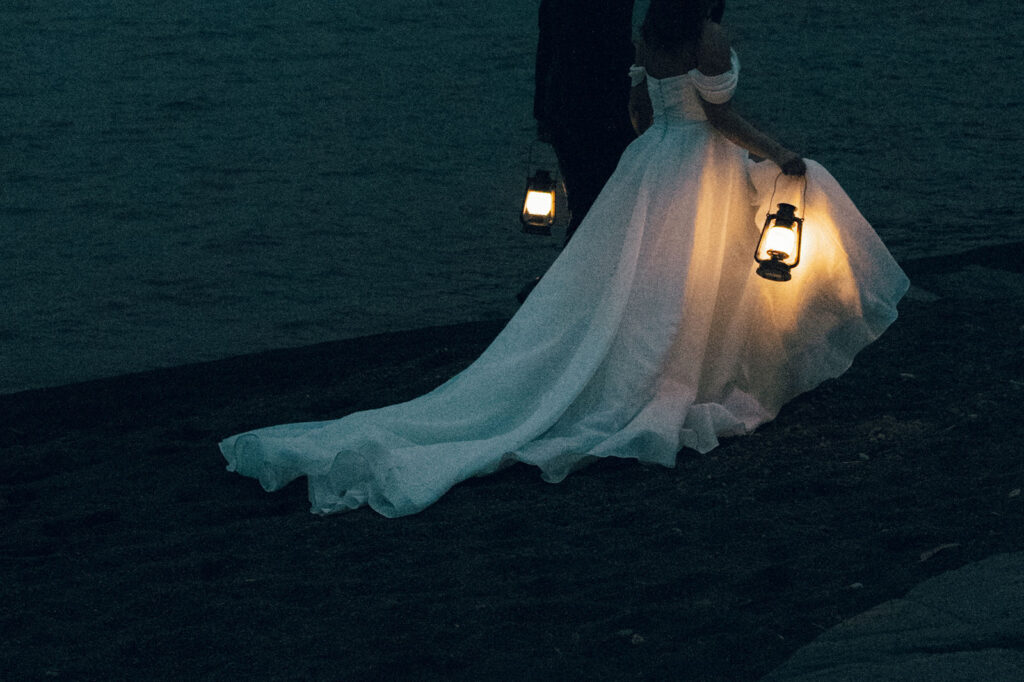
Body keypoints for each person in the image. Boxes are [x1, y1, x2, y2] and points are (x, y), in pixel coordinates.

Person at [219, 0, 909, 518]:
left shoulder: (651, 30)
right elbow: (724, 117)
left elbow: (640, 105)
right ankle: (687, 374)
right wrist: (777, 154)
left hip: (652, 161)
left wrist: (660, 136)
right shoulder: (709, 33)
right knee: (697, 275)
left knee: (639, 278)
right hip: (698, 162)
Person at [533, 0, 638, 246]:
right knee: (609, 199)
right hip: (607, 105)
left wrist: (540, 112)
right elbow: (618, 44)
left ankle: (577, 258)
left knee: (582, 200)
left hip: (564, 103)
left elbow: (546, 43)